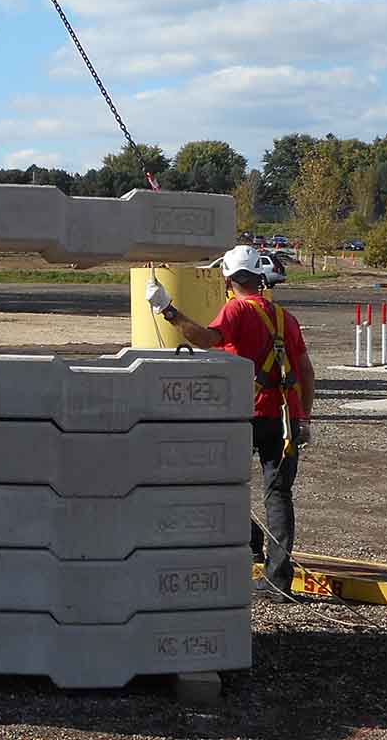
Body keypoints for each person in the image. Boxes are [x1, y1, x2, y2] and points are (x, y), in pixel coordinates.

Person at [145, 245, 315, 598]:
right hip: (284, 417)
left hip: (246, 414)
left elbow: (207, 339)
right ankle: (277, 579)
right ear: (260, 278)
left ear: (228, 280)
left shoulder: (236, 309)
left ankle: (250, 543)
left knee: (218, 483)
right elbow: (306, 371)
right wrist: (304, 418)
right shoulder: (286, 318)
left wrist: (167, 310)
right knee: (278, 495)